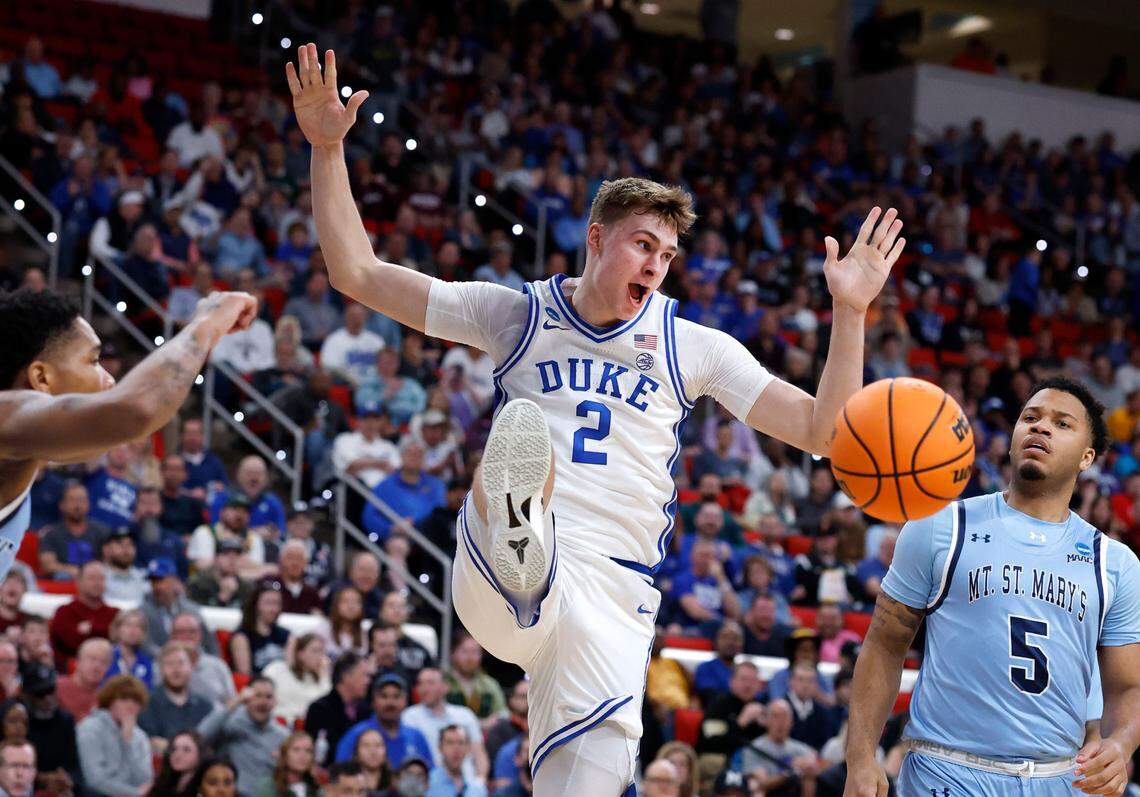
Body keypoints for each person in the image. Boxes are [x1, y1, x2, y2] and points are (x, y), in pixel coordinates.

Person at [288, 43, 904, 793]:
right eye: (642, 243)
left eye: (668, 254)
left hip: (615, 598)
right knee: (524, 505)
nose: (654, 264)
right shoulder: (515, 312)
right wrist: (327, 151)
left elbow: (821, 432)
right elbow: (358, 272)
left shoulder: (692, 346)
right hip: (523, 553)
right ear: (597, 237)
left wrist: (850, 313)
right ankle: (520, 526)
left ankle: (522, 532)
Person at [845, 377, 1140, 797]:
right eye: (1030, 417)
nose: (1039, 427)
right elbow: (883, 646)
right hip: (945, 770)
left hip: (1058, 777)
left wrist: (1121, 742)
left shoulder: (1115, 563)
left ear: (1086, 457)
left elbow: (1128, 687)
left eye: (1061, 424)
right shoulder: (940, 526)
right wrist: (860, 757)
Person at [0, 288, 256, 583]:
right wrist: (206, 324)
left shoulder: (23, 455)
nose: (110, 380)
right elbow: (136, 410)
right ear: (42, 378)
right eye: (93, 361)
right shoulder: (6, 417)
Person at [196, 677, 290, 794]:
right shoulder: (231, 724)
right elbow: (199, 737)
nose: (263, 702)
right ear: (246, 698)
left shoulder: (283, 736)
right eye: (257, 695)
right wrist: (236, 701)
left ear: (275, 701)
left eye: (268, 697)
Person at [402, 667, 488, 781]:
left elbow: (479, 754)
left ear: (445, 687)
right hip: (429, 785)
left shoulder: (465, 715)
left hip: (467, 783)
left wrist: (480, 783)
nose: (424, 688)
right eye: (420, 683)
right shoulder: (409, 717)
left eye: (430, 683)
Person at [76, 675, 154, 797]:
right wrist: (134, 793)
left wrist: (129, 742)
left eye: (136, 701)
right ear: (109, 701)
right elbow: (94, 779)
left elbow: (145, 779)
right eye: (124, 699)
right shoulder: (89, 728)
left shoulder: (140, 737)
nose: (130, 706)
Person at [334, 673, 433, 767]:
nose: (390, 702)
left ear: (405, 702)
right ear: (373, 701)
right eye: (384, 696)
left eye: (396, 696)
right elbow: (341, 774)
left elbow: (430, 774)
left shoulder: (416, 737)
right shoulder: (356, 735)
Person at [732, 699, 819, 794]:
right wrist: (790, 771)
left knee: (809, 777)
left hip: (792, 792)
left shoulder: (800, 748)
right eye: (775, 716)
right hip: (768, 792)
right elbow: (761, 784)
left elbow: (817, 767)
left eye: (785, 716)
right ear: (766, 720)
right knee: (756, 789)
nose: (780, 722)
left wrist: (811, 765)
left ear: (792, 722)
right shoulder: (754, 748)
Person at [139, 642, 216, 750]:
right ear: (161, 669)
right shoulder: (147, 703)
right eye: (169, 664)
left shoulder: (205, 705)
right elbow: (149, 742)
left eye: (181, 663)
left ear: (191, 667)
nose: (176, 669)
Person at [303, 651, 371, 767]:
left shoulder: (367, 711)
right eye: (364, 675)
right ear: (346, 676)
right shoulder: (319, 710)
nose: (368, 681)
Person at [48, 560, 118, 664]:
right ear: (78, 581)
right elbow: (71, 642)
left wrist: (90, 629)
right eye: (92, 578)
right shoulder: (64, 612)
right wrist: (103, 630)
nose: (97, 583)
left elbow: (118, 643)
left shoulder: (115, 614)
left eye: (101, 578)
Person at [38, 482, 110, 579]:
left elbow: (110, 562)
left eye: (82, 500)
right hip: (64, 582)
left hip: (95, 579)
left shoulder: (102, 531)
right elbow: (48, 565)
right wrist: (74, 571)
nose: (78, 505)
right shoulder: (51, 534)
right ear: (62, 505)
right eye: (72, 500)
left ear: (88, 504)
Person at [263, 632, 331, 725]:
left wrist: (325, 676)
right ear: (300, 654)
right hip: (275, 722)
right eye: (315, 651)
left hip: (305, 727)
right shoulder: (276, 669)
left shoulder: (321, 678)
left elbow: (326, 706)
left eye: (322, 652)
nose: (320, 657)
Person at [168, 612, 235, 705]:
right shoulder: (161, 666)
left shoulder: (218, 666)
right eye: (182, 632)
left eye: (192, 631)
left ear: (200, 634)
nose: (187, 636)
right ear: (172, 636)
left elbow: (232, 702)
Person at [444, 634, 505, 731]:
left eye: (475, 652)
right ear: (453, 653)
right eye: (464, 651)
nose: (470, 657)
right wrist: (478, 724)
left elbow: (503, 713)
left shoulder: (489, 684)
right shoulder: (443, 681)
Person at [229, 582, 290, 676]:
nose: (274, 609)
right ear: (255, 605)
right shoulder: (241, 637)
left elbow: (291, 673)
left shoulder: (287, 636)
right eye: (269, 603)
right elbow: (244, 675)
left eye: (277, 603)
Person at [56, 637, 113, 721]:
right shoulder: (57, 687)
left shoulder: (109, 696)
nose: (97, 666)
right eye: (92, 659)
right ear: (77, 661)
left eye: (103, 662)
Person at [426, 725, 488, 797]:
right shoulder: (427, 784)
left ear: (468, 748)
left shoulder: (477, 788)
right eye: (450, 743)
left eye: (461, 742)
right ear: (440, 748)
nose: (456, 748)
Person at [253, 732, 321, 797]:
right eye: (296, 750)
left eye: (308, 751)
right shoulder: (267, 788)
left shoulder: (316, 791)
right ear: (285, 755)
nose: (302, 755)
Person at [105, 608, 155, 687]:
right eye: (128, 625)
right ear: (117, 629)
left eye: (138, 626)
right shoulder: (106, 656)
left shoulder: (147, 661)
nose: (133, 630)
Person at [100, 526, 150, 602]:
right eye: (120, 543)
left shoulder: (143, 577)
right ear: (106, 549)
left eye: (130, 544)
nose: (126, 548)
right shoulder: (97, 576)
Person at [147, 730, 202, 797]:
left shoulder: (204, 787)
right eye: (174, 749)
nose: (177, 754)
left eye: (186, 749)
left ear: (200, 754)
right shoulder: (161, 783)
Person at [353, 728, 392, 795]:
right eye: (366, 745)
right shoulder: (346, 782)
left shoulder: (394, 783)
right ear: (357, 752)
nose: (373, 751)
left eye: (378, 745)